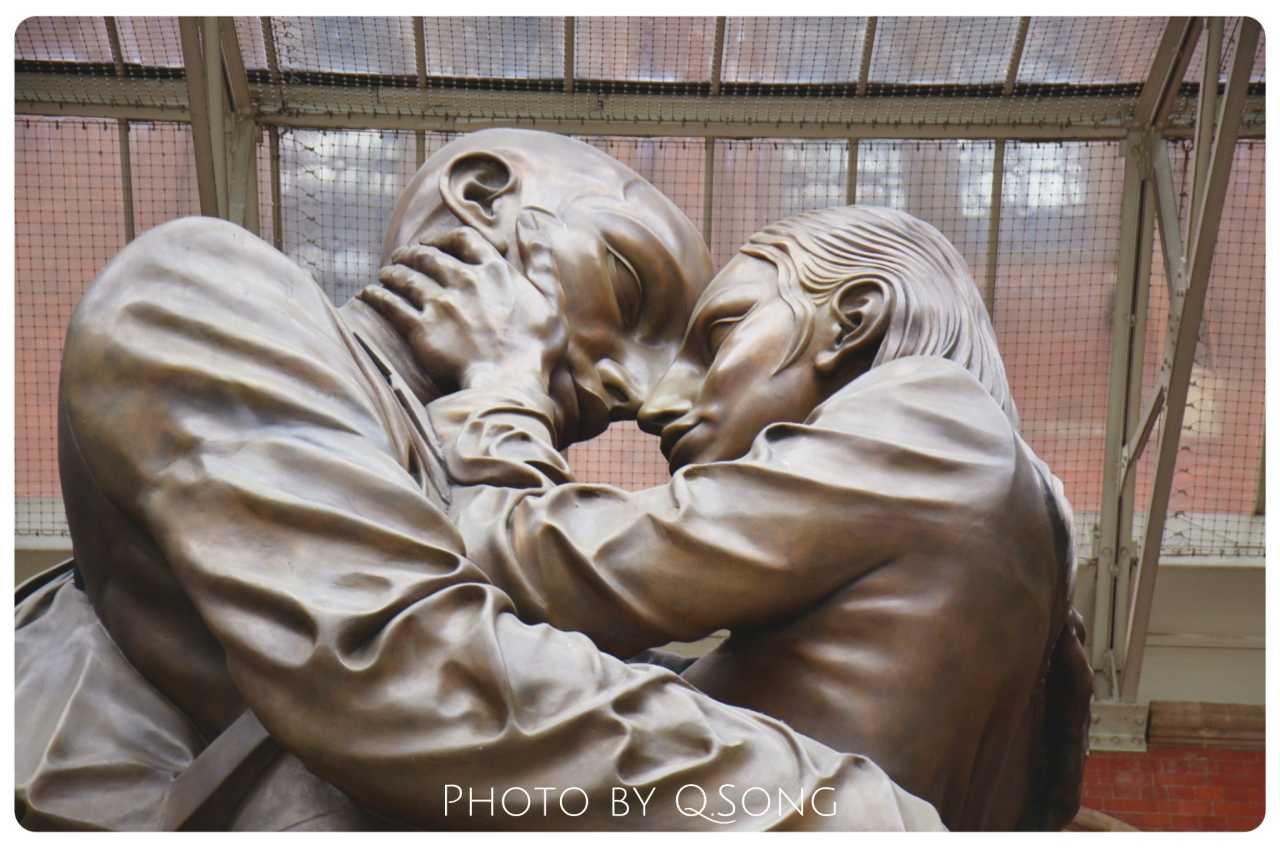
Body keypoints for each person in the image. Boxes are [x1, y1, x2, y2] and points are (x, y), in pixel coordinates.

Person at [16, 132, 941, 831]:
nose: (634, 389)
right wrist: (835, 805)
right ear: (482, 196)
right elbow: (403, 666)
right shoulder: (210, 285)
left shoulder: (469, 448)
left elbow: (544, 667)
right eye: (627, 289)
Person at [367, 205, 1092, 830]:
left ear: (854, 319)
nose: (656, 406)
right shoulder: (1038, 551)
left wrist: (502, 386)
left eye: (717, 337)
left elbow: (544, 566)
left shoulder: (932, 416)